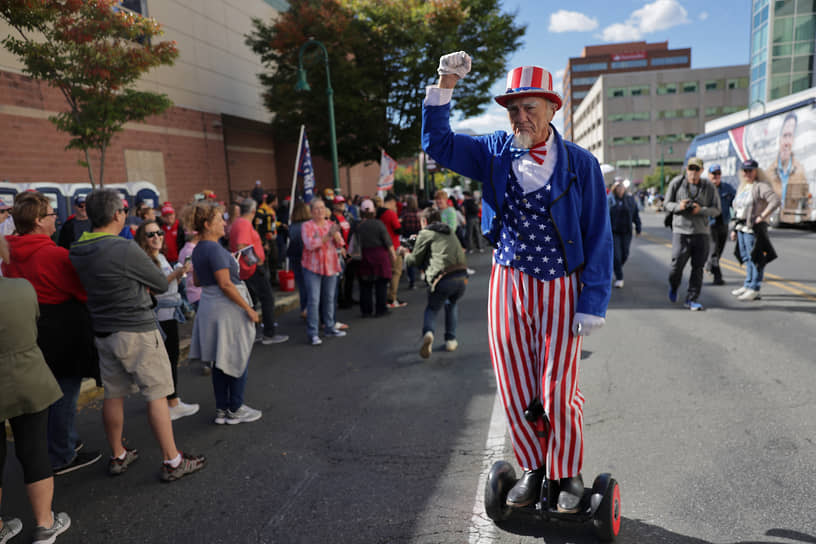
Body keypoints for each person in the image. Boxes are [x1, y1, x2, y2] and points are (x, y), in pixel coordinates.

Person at [423, 53, 612, 512]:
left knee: (556, 389)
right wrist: (447, 82)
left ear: (552, 108)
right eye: (513, 109)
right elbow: (439, 143)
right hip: (508, 282)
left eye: (530, 107)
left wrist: (594, 299)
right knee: (513, 385)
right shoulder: (493, 150)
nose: (520, 117)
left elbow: (598, 233)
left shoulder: (581, 164)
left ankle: (567, 472)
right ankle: (533, 467)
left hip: (561, 287)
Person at [69, 188, 206, 482]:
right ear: (117, 214)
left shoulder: (78, 247)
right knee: (156, 394)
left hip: (103, 330)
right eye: (123, 210)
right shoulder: (124, 247)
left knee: (113, 395)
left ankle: (118, 454)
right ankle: (173, 460)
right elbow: (158, 282)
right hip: (136, 328)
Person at [2, 192, 102, 477]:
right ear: (37, 220)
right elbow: (82, 291)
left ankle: (59, 442)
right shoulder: (54, 254)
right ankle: (62, 453)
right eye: (50, 214)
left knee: (48, 394)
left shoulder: (8, 251)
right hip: (62, 330)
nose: (56, 218)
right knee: (64, 394)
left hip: (30, 328)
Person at [1, 233, 71, 544]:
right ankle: (44, 524)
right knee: (34, 450)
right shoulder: (20, 288)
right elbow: (33, 322)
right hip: (27, 377)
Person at [189, 201, 265, 425]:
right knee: (237, 357)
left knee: (219, 360)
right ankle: (236, 408)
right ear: (206, 224)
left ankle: (223, 408)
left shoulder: (199, 248)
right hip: (226, 309)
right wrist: (249, 308)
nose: (224, 222)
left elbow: (197, 280)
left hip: (210, 307)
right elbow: (226, 284)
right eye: (219, 219)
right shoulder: (213, 249)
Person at [134, 220, 200, 421]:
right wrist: (176, 273)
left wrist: (179, 275)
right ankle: (170, 402)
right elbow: (157, 287)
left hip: (170, 312)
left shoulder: (160, 256)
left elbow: (167, 285)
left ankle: (172, 400)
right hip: (159, 315)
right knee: (165, 360)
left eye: (159, 233)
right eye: (151, 234)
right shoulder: (145, 259)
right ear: (142, 239)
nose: (157, 237)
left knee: (171, 357)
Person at [402, 207, 467, 358]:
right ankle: (451, 340)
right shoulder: (449, 231)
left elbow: (414, 260)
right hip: (461, 276)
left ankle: (428, 333)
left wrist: (405, 253)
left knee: (432, 308)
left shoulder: (426, 233)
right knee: (452, 304)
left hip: (442, 278)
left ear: (424, 221)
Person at [663, 157, 721, 311]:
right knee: (676, 266)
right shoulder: (677, 183)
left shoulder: (708, 186)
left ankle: (692, 298)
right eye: (691, 169)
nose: (693, 172)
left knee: (698, 268)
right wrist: (679, 206)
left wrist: (700, 210)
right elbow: (666, 204)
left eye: (697, 169)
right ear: (686, 169)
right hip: (681, 231)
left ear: (702, 171)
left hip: (701, 232)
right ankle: (674, 286)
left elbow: (717, 210)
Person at [230, 198, 288, 345]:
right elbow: (241, 244)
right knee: (267, 298)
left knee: (252, 301)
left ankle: (253, 332)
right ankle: (269, 333)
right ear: (253, 211)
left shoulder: (238, 222)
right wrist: (256, 261)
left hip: (245, 269)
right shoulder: (243, 223)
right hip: (251, 269)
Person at [730, 159, 781, 301]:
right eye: (745, 170)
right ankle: (748, 284)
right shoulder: (743, 186)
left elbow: (775, 201)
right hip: (742, 227)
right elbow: (738, 209)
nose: (747, 173)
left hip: (754, 229)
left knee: (756, 258)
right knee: (747, 257)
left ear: (756, 171)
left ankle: (755, 288)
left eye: (750, 170)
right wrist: (734, 229)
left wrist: (762, 216)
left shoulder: (760, 186)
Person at [301, 198, 346, 345]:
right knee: (314, 300)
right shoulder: (307, 226)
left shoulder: (331, 224)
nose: (320, 211)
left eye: (322, 208)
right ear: (311, 211)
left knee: (329, 298)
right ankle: (312, 333)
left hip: (330, 266)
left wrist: (337, 236)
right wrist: (328, 235)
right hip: (312, 268)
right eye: (316, 209)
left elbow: (340, 243)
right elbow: (310, 245)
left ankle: (329, 326)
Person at [355, 199, 394, 318]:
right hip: (380, 256)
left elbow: (355, 244)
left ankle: (366, 310)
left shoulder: (358, 226)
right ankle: (380, 309)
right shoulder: (379, 224)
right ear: (373, 211)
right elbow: (388, 242)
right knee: (380, 284)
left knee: (365, 285)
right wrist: (393, 255)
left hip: (364, 256)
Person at [766, 113, 807, 223]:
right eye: (785, 136)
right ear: (779, 140)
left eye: (790, 136)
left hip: (791, 217)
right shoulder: (768, 172)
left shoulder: (800, 171)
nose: (787, 143)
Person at [705, 164, 736, 285]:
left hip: (723, 223)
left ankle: (709, 265)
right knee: (713, 250)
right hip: (709, 224)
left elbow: (736, 201)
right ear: (709, 175)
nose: (716, 176)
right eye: (713, 174)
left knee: (719, 250)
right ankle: (717, 276)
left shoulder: (727, 188)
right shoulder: (705, 189)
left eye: (718, 174)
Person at [607, 178, 641, 289]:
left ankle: (616, 268)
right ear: (614, 188)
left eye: (621, 187)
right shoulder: (610, 199)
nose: (620, 189)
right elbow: (604, 215)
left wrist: (638, 227)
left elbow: (635, 214)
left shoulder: (630, 199)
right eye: (618, 187)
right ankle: (619, 277)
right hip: (614, 231)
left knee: (624, 254)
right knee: (616, 255)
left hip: (626, 231)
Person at [380, 193, 406, 309]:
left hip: (382, 246)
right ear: (391, 202)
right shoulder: (391, 214)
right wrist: (400, 221)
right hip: (394, 246)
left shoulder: (378, 213)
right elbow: (398, 230)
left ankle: (387, 297)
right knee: (396, 272)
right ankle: (392, 297)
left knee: (386, 273)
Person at [286, 200, 311, 320]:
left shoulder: (292, 226)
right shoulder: (308, 225)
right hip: (305, 256)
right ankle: (308, 308)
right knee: (310, 284)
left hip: (294, 256)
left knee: (301, 285)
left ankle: (304, 308)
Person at [400, 195, 422, 290]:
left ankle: (412, 282)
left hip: (406, 238)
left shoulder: (404, 214)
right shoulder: (418, 214)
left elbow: (401, 228)